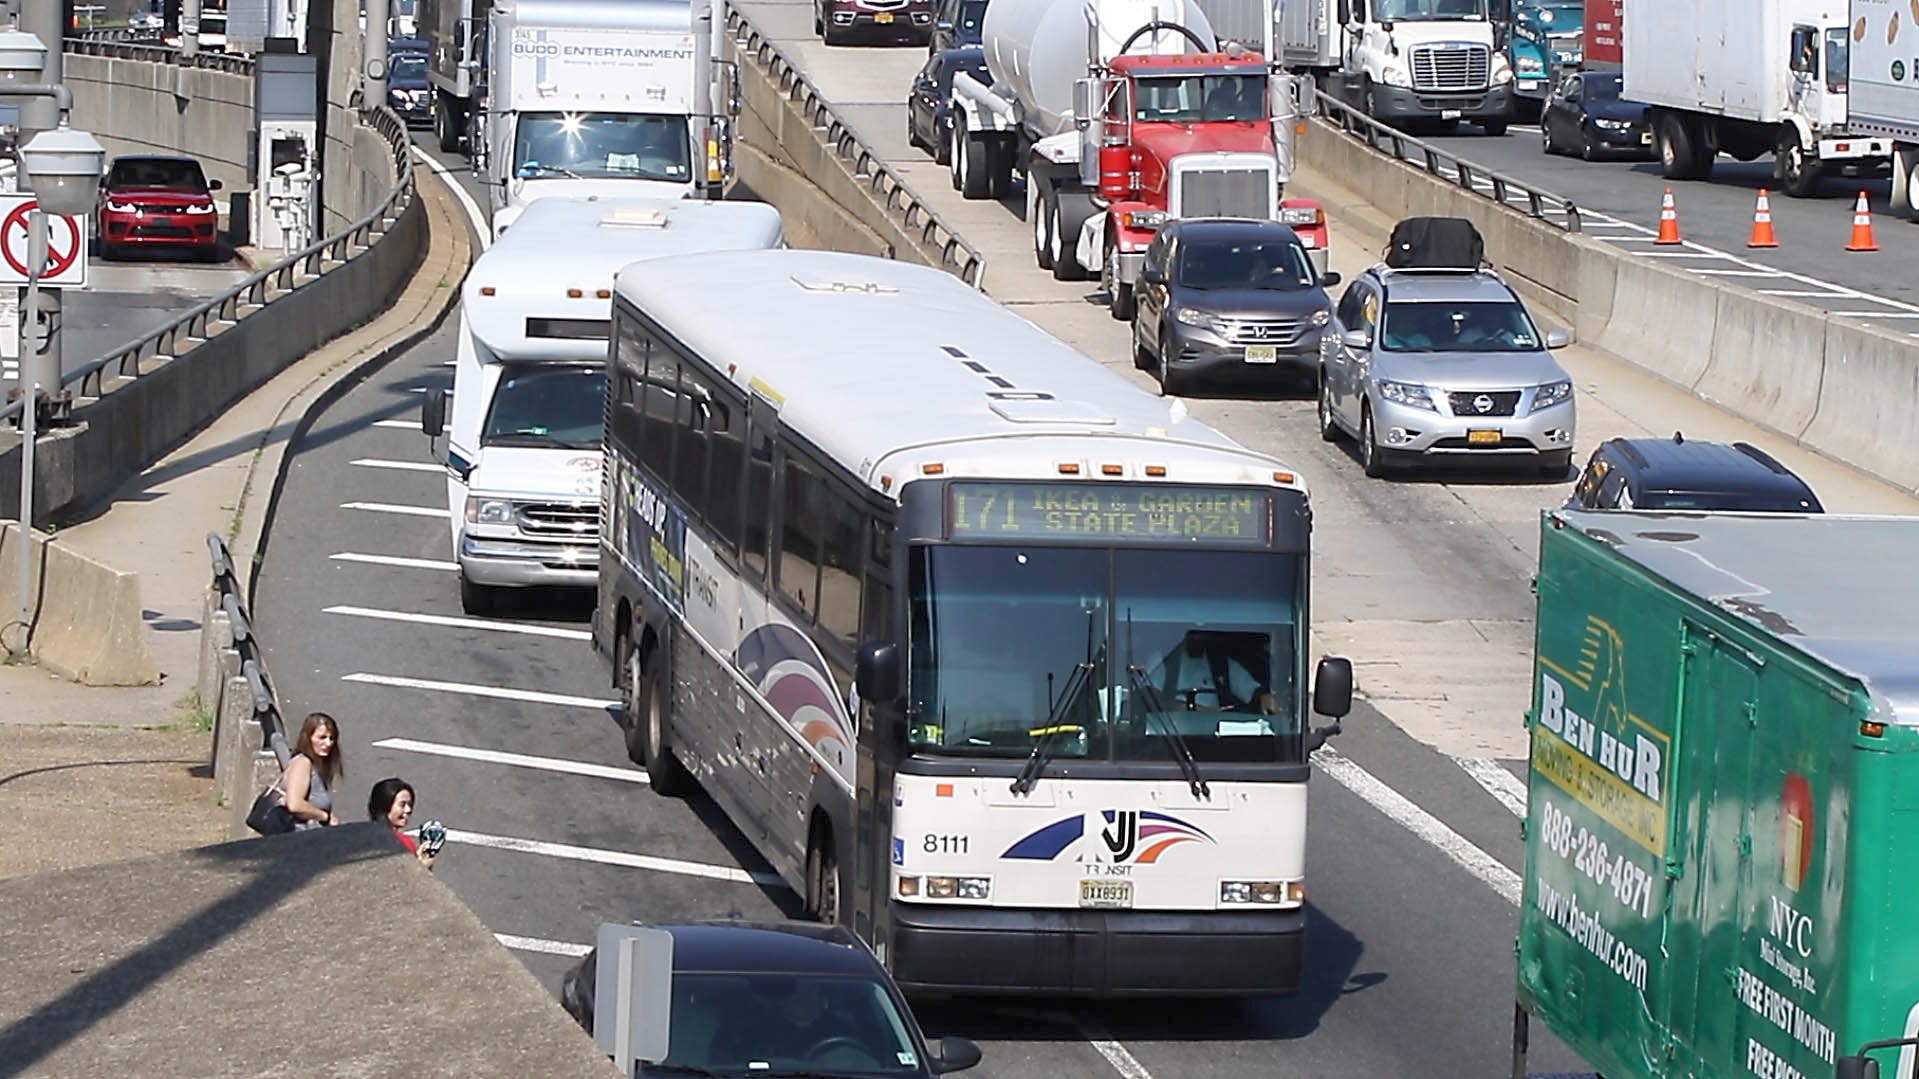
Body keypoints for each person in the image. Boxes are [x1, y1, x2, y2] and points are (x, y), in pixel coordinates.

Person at [1158, 632, 1275, 714]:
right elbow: (1149, 698)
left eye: (1200, 635)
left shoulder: (1220, 662)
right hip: (1172, 737)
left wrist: (1263, 697)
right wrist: (1185, 708)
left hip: (1215, 736)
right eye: (1193, 635)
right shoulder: (1165, 660)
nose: (1197, 639)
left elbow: (1250, 689)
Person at [281, 712, 343, 830]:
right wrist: (324, 816)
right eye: (322, 737)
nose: (328, 743)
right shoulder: (303, 763)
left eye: (332, 738)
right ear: (308, 738)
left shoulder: (316, 764)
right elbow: (294, 804)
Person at [368, 777, 435, 869]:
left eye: (410, 805)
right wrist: (421, 868)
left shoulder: (360, 836)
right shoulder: (402, 843)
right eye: (402, 805)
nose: (408, 810)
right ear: (385, 805)